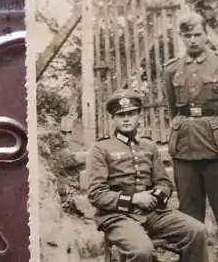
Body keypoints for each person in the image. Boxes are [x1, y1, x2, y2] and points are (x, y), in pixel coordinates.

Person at [163, 13, 218, 262]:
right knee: (190, 222)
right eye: (187, 35)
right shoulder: (171, 70)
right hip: (185, 151)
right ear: (181, 37)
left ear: (206, 34)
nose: (193, 40)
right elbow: (174, 111)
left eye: (197, 34)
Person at [87, 89, 210, 262]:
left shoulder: (149, 146)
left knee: (197, 231)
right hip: (117, 216)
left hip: (153, 213)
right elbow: (96, 194)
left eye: (131, 113)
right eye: (121, 115)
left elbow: (164, 184)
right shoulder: (101, 148)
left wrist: (152, 197)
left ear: (139, 116)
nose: (126, 118)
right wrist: (134, 199)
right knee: (142, 251)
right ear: (113, 118)